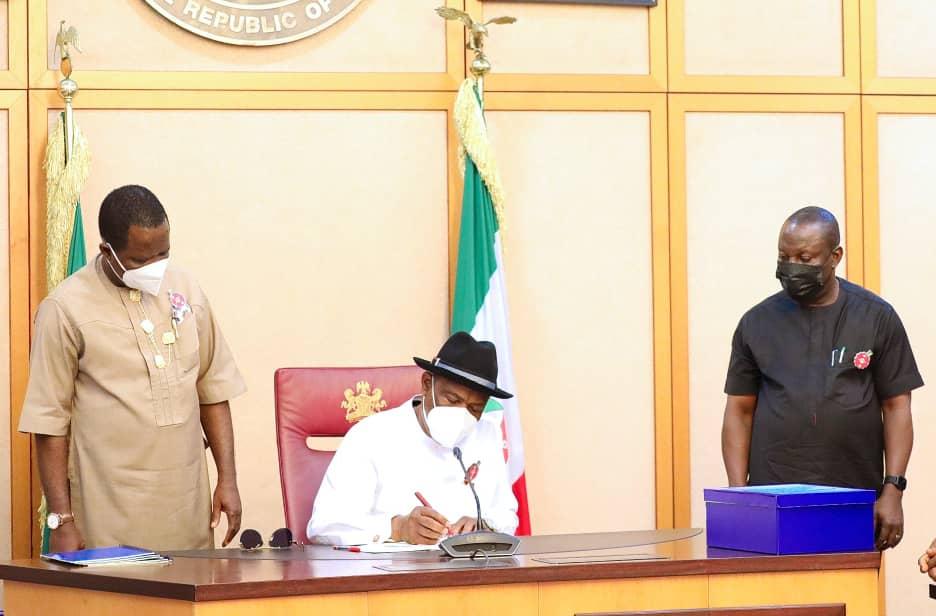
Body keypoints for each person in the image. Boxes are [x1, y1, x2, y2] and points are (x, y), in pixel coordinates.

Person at [19, 185, 246, 552]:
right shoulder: (64, 309)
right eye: (140, 261)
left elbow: (213, 390)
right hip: (107, 519)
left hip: (187, 510)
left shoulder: (187, 290)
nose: (154, 267)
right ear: (107, 251)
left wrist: (229, 480)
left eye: (163, 253)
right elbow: (49, 423)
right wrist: (61, 519)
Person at [721, 206, 921, 551]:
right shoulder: (756, 323)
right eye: (784, 256)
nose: (792, 265)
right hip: (773, 499)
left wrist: (893, 490)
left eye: (805, 257)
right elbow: (739, 412)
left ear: (835, 256)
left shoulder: (877, 317)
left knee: (847, 600)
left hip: (855, 499)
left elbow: (897, 407)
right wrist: (740, 496)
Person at [307, 332, 519, 545]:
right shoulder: (372, 435)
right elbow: (325, 526)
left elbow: (507, 515)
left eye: (475, 408)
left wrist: (484, 525)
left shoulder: (486, 433)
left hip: (468, 571)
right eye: (452, 399)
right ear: (427, 384)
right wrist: (397, 528)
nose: (463, 414)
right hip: (392, 572)